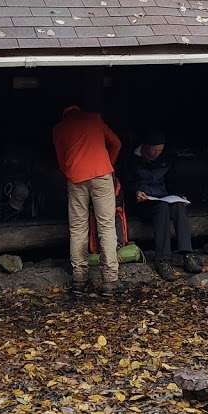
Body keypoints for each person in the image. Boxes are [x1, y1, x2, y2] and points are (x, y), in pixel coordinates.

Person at [52, 105, 122, 294]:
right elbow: (116, 143)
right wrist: (109, 164)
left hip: (76, 178)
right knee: (106, 225)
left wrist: (72, 172)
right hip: (102, 174)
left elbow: (61, 161)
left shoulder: (59, 129)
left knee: (78, 227)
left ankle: (79, 279)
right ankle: (110, 280)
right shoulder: (95, 119)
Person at [127, 131, 202, 281]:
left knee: (180, 205)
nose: (157, 153)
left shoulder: (165, 159)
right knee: (161, 208)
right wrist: (135, 193)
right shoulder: (130, 160)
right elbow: (124, 183)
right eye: (154, 150)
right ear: (145, 147)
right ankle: (162, 259)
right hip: (144, 202)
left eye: (160, 150)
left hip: (163, 197)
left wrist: (180, 195)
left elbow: (172, 181)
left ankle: (187, 254)